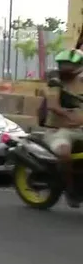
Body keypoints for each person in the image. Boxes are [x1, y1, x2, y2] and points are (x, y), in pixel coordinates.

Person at [42, 49, 83, 206]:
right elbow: (53, 105)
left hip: (79, 130)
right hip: (58, 131)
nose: (66, 67)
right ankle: (70, 189)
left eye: (70, 64)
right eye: (63, 64)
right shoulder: (55, 81)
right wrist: (69, 115)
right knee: (65, 153)